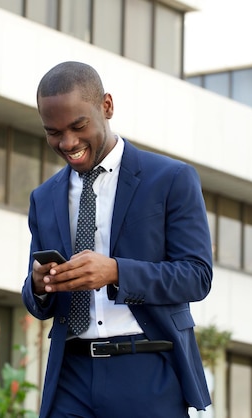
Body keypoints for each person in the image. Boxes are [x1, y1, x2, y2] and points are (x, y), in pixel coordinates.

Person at [22, 61, 213, 418]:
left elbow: (197, 276)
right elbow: (37, 301)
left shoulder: (171, 179)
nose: (68, 142)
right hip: (71, 376)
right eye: (53, 132)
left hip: (146, 368)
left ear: (106, 106)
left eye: (78, 126)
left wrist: (115, 272)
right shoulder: (43, 198)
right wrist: (38, 286)